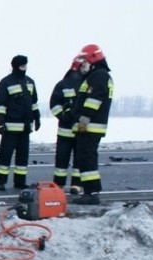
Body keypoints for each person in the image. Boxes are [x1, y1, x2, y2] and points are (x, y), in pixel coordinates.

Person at [69, 44, 114, 205]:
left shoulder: (98, 75)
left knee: (87, 159)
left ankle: (91, 193)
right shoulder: (97, 75)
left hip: (90, 127)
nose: (82, 64)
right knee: (86, 159)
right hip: (90, 127)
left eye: (84, 60)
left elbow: (94, 100)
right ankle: (91, 191)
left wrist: (83, 120)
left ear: (92, 59)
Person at [0, 55, 40, 191]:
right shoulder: (6, 82)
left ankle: (20, 182)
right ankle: (1, 182)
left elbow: (34, 103)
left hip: (26, 128)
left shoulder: (30, 82)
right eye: (22, 66)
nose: (24, 68)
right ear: (15, 66)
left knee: (23, 157)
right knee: (5, 155)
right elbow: (0, 105)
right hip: (10, 127)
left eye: (25, 66)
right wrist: (1, 123)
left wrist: (37, 118)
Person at [49, 56, 85, 194]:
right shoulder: (63, 84)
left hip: (81, 130)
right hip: (65, 130)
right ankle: (58, 184)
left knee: (79, 159)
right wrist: (63, 116)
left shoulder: (88, 84)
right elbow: (54, 104)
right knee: (61, 159)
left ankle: (76, 184)